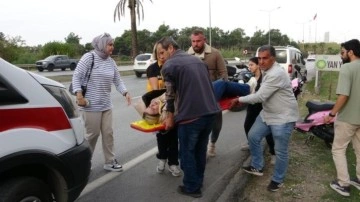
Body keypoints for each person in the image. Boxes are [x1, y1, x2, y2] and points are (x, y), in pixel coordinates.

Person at [157, 36, 220, 198]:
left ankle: (192, 187)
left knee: (186, 154)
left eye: (162, 52)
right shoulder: (198, 61)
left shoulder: (169, 65)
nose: (161, 57)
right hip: (210, 113)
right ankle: (198, 181)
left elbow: (170, 96)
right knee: (199, 151)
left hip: (191, 116)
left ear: (171, 48)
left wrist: (170, 117)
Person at [231, 45, 299, 192]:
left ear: (273, 59)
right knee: (253, 136)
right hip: (268, 113)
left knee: (280, 151)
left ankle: (278, 180)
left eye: (265, 58)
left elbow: (260, 96)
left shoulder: (276, 73)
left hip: (283, 117)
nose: (261, 62)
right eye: (259, 58)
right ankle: (257, 166)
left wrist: (239, 99)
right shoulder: (266, 70)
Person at [72, 33, 131, 172]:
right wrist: (79, 95)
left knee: (108, 133)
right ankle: (84, 162)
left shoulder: (111, 61)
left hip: (106, 104)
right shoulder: (89, 57)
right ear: (102, 44)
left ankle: (109, 161)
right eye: (110, 44)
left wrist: (125, 92)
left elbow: (117, 80)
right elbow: (77, 76)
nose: (112, 47)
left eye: (112, 44)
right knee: (92, 135)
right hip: (90, 105)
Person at [324, 39, 360, 197]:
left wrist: (331, 114)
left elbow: (344, 95)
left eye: (343, 52)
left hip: (348, 118)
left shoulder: (347, 68)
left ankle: (343, 184)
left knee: (338, 149)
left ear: (351, 52)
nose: (341, 55)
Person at [187, 29, 228, 157]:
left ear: (204, 40)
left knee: (216, 123)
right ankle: (200, 148)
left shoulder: (215, 54)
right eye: (193, 41)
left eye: (198, 41)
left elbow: (224, 74)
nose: (195, 44)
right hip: (195, 97)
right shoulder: (186, 55)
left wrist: (221, 90)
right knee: (198, 124)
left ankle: (213, 143)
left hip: (213, 95)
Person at [146, 43, 181, 177]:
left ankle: (173, 163)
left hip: (173, 105)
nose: (161, 56)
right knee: (162, 136)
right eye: (158, 53)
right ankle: (162, 159)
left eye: (163, 53)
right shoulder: (152, 69)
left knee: (174, 136)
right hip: (158, 106)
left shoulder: (174, 67)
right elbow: (156, 91)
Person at [242, 57, 276, 165]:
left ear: (257, 65)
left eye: (251, 64)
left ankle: (273, 153)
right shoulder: (252, 79)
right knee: (247, 126)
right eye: (249, 65)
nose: (249, 67)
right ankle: (253, 146)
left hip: (263, 107)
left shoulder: (265, 78)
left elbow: (262, 95)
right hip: (252, 106)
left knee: (268, 132)